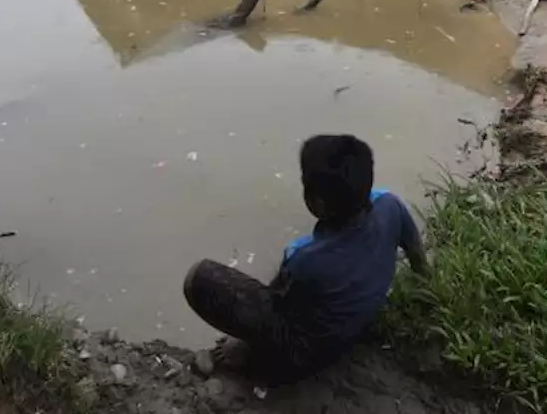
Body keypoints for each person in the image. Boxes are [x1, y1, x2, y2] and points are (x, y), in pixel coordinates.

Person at [183, 135, 427, 384]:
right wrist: (424, 292)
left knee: (199, 278)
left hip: (306, 356)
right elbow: (417, 254)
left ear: (317, 203)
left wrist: (244, 340)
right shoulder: (390, 206)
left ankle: (251, 357)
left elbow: (273, 306)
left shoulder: (307, 260)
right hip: (358, 321)